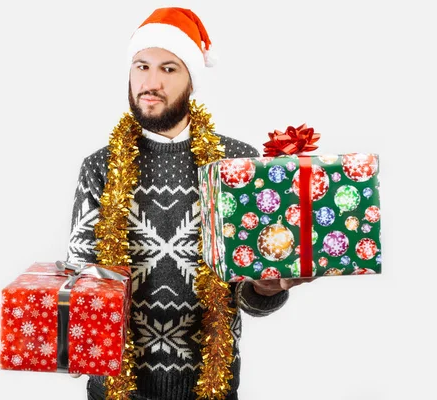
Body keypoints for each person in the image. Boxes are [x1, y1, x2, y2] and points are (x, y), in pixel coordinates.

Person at [66, 7, 315, 400]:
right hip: (114, 392)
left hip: (210, 389)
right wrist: (72, 339)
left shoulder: (236, 164)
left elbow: (251, 300)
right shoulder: (99, 166)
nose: (150, 82)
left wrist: (266, 288)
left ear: (191, 81)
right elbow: (81, 278)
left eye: (168, 69)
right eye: (141, 66)